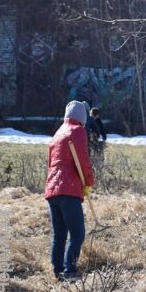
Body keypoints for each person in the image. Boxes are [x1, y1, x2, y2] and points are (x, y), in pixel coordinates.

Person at [44, 100, 95, 281]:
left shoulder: (58, 133)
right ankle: (70, 271)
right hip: (69, 189)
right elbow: (82, 161)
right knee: (78, 234)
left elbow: (51, 162)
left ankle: (57, 270)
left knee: (59, 234)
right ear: (82, 117)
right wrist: (88, 182)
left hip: (52, 190)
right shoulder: (78, 131)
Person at [87, 107, 107, 172]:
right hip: (89, 141)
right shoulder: (89, 121)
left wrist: (103, 139)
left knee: (98, 155)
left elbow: (103, 132)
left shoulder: (99, 122)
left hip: (96, 141)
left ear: (96, 115)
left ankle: (98, 168)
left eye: (91, 114)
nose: (91, 116)